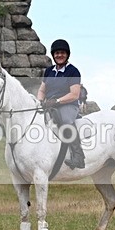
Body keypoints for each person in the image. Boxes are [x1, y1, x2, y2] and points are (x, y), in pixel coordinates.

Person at [37, 39, 85, 169]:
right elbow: (42, 90)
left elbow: (74, 94)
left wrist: (57, 101)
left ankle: (78, 155)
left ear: (67, 54)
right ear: (53, 55)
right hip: (50, 105)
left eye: (62, 53)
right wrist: (40, 101)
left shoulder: (73, 71)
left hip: (68, 104)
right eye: (57, 53)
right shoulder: (49, 71)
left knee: (65, 120)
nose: (59, 55)